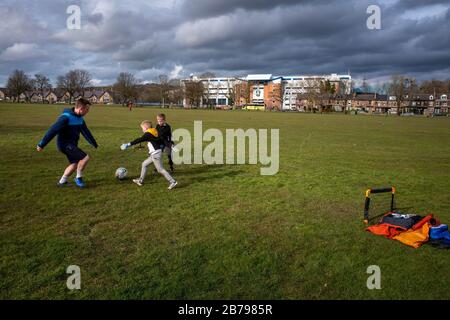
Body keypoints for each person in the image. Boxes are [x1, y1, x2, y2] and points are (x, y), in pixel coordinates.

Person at [36, 98, 98, 188]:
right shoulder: (65, 117)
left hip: (72, 145)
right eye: (87, 109)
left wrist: (93, 142)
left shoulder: (80, 119)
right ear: (81, 108)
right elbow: (52, 130)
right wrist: (41, 144)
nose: (87, 112)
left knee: (75, 163)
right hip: (64, 144)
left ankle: (62, 182)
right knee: (85, 158)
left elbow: (85, 132)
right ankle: (78, 178)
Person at [120, 120, 177, 190]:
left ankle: (173, 181)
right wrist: (170, 145)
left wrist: (128, 144)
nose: (142, 130)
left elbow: (139, 140)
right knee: (144, 164)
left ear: (146, 127)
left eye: (142, 128)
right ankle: (140, 180)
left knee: (160, 169)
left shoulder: (148, 134)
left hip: (155, 154)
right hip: (155, 153)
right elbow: (162, 139)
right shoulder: (154, 131)